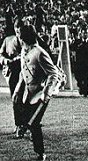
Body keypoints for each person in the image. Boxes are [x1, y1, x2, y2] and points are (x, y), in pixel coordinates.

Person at [12, 25, 59, 161]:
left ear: (25, 38)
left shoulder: (39, 53)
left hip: (40, 93)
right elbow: (23, 73)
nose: (19, 39)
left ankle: (41, 154)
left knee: (34, 123)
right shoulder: (24, 51)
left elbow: (53, 74)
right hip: (28, 92)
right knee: (29, 122)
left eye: (21, 37)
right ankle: (37, 148)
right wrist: (17, 90)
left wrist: (46, 92)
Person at [0, 18, 24, 138]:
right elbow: (1, 54)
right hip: (13, 73)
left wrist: (18, 59)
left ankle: (27, 124)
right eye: (17, 29)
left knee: (26, 99)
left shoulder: (27, 40)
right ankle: (19, 124)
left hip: (25, 73)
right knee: (15, 99)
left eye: (20, 30)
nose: (19, 32)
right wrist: (6, 61)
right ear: (14, 29)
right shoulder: (8, 40)